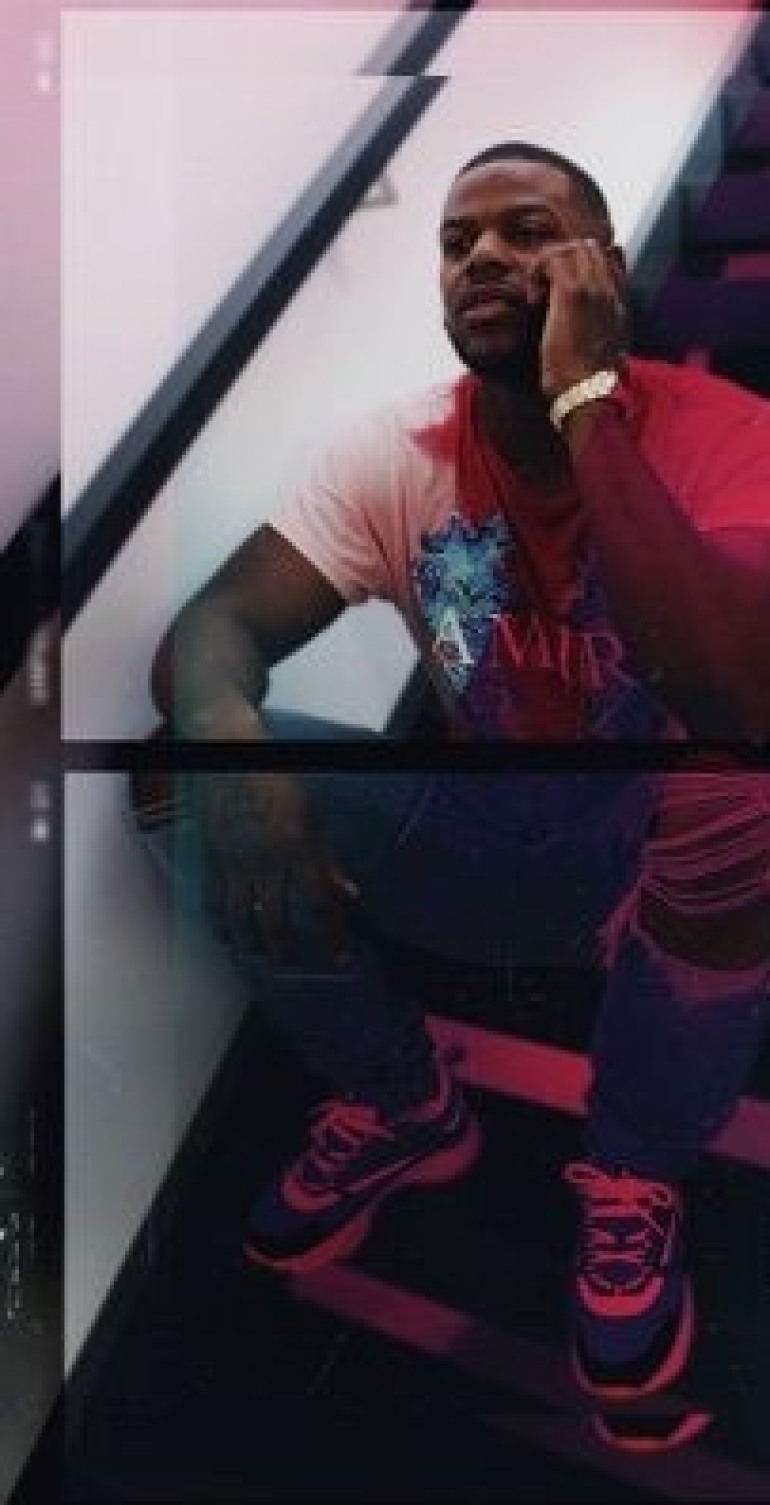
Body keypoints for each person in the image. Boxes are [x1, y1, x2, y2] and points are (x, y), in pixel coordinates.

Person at [148, 142, 770, 1407]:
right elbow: (215, 627)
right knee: (177, 777)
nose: (480, 254)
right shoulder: (398, 449)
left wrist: (583, 397)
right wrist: (225, 734)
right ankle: (403, 1101)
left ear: (602, 270)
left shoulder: (729, 436)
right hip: (488, 832)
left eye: (526, 230)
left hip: (654, 866)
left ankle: (632, 1167)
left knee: (740, 786)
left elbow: (730, 690)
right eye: (454, 240)